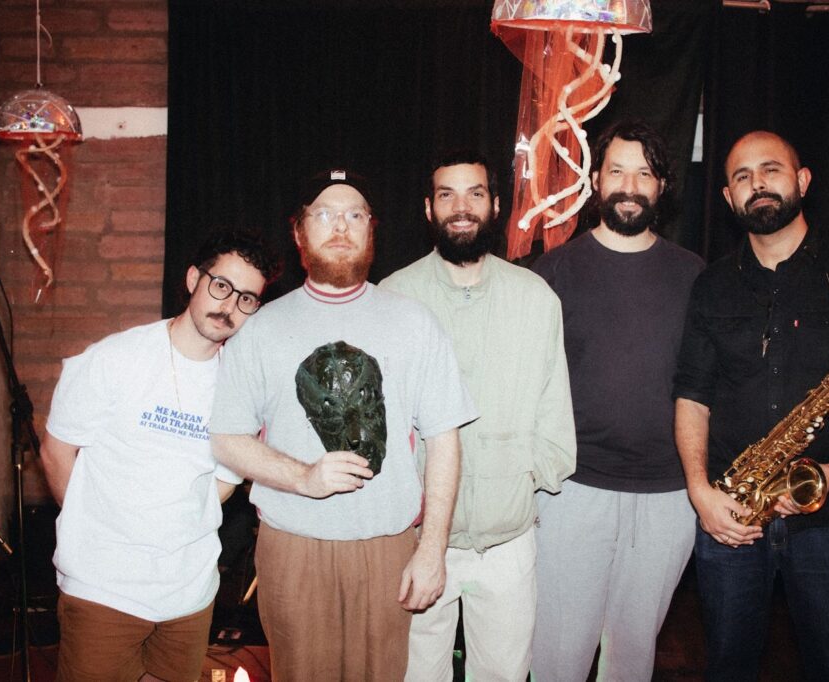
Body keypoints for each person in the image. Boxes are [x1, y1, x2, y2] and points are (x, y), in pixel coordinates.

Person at [673, 130, 829, 681]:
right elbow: (692, 393)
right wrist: (700, 492)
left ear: (802, 180)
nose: (758, 183)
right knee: (727, 669)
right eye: (742, 176)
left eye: (771, 169)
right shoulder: (712, 286)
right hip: (732, 514)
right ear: (728, 197)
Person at [209, 169, 477, 682]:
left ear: (371, 229)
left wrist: (432, 551)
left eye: (355, 214)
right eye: (325, 214)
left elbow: (445, 439)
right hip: (293, 546)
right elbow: (226, 438)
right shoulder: (262, 329)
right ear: (299, 230)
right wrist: (303, 477)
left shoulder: (414, 323)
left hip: (387, 548)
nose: (340, 226)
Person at [40, 230, 279, 682]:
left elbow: (225, 480)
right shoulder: (116, 358)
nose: (229, 306)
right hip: (104, 591)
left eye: (247, 298)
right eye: (222, 286)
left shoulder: (240, 386)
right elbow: (56, 452)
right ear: (192, 279)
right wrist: (98, 532)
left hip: (189, 596)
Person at [379, 151, 576, 681]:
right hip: (416, 542)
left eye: (475, 193)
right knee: (415, 676)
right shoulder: (393, 299)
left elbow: (556, 417)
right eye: (447, 195)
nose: (461, 207)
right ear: (428, 208)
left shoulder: (535, 298)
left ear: (495, 206)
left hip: (508, 544)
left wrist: (517, 482)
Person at [530, 120, 705, 681]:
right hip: (571, 490)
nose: (630, 186)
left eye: (644, 174)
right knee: (558, 653)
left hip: (669, 496)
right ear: (596, 181)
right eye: (617, 171)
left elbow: (710, 385)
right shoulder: (552, 273)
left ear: (662, 186)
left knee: (633, 657)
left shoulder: (695, 275)